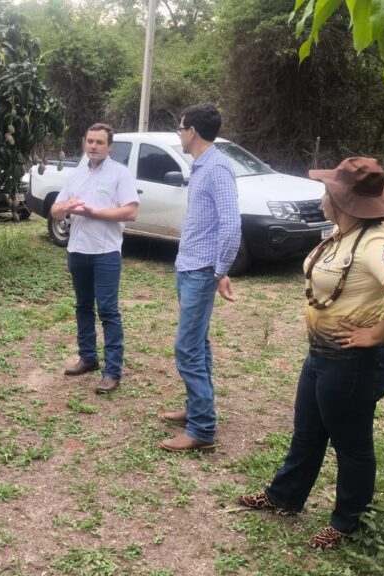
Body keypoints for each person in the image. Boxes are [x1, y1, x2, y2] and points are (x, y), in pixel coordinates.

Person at [236, 157, 384, 549]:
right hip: (321, 357)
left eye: (327, 190)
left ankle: (346, 521)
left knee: (352, 446)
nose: (322, 195)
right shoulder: (340, 234)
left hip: (353, 365)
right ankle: (284, 496)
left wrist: (376, 334)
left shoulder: (375, 242)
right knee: (307, 433)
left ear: (340, 199)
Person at [157, 103, 242, 453]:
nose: (179, 134)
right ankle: (196, 408)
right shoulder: (202, 166)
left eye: (180, 129)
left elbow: (231, 225)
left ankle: (202, 428)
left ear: (192, 131)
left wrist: (220, 270)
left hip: (200, 271)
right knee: (198, 342)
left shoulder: (218, 169)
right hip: (190, 266)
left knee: (187, 347)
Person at [50, 123, 140, 394]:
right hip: (77, 250)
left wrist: (95, 213)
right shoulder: (75, 174)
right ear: (84, 143)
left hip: (105, 253)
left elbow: (131, 212)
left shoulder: (119, 174)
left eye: (100, 142)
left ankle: (112, 371)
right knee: (83, 306)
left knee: (108, 310)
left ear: (109, 146)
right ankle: (87, 357)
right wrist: (63, 208)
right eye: (90, 141)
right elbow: (55, 210)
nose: (93, 146)